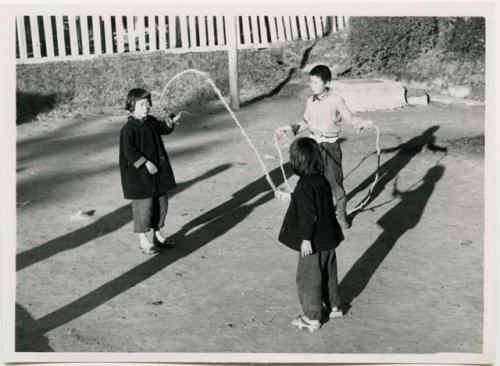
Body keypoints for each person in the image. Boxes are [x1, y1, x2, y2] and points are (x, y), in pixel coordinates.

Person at [276, 65, 374, 229]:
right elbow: (305, 123)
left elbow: (350, 118)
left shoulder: (336, 100)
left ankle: (342, 216)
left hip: (330, 148)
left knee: (335, 183)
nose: (311, 85)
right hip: (313, 148)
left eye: (315, 82)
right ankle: (316, 215)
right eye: (311, 82)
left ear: (326, 82)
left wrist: (363, 122)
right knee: (312, 182)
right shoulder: (310, 101)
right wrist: (288, 127)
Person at [278, 137, 345, 333]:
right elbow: (314, 203)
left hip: (313, 242)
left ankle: (312, 317)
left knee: (308, 279)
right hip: (329, 238)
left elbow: (309, 214)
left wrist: (306, 239)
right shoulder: (320, 180)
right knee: (328, 274)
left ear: (297, 161)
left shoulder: (304, 184)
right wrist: (290, 197)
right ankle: (334, 307)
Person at [119, 88, 180, 254]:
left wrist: (170, 121)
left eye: (148, 103)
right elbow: (129, 151)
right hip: (140, 177)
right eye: (142, 104)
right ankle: (143, 240)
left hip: (158, 174)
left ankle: (158, 235)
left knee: (161, 205)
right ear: (131, 106)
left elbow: (164, 129)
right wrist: (145, 162)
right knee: (143, 207)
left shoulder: (151, 121)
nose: (146, 107)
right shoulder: (128, 129)